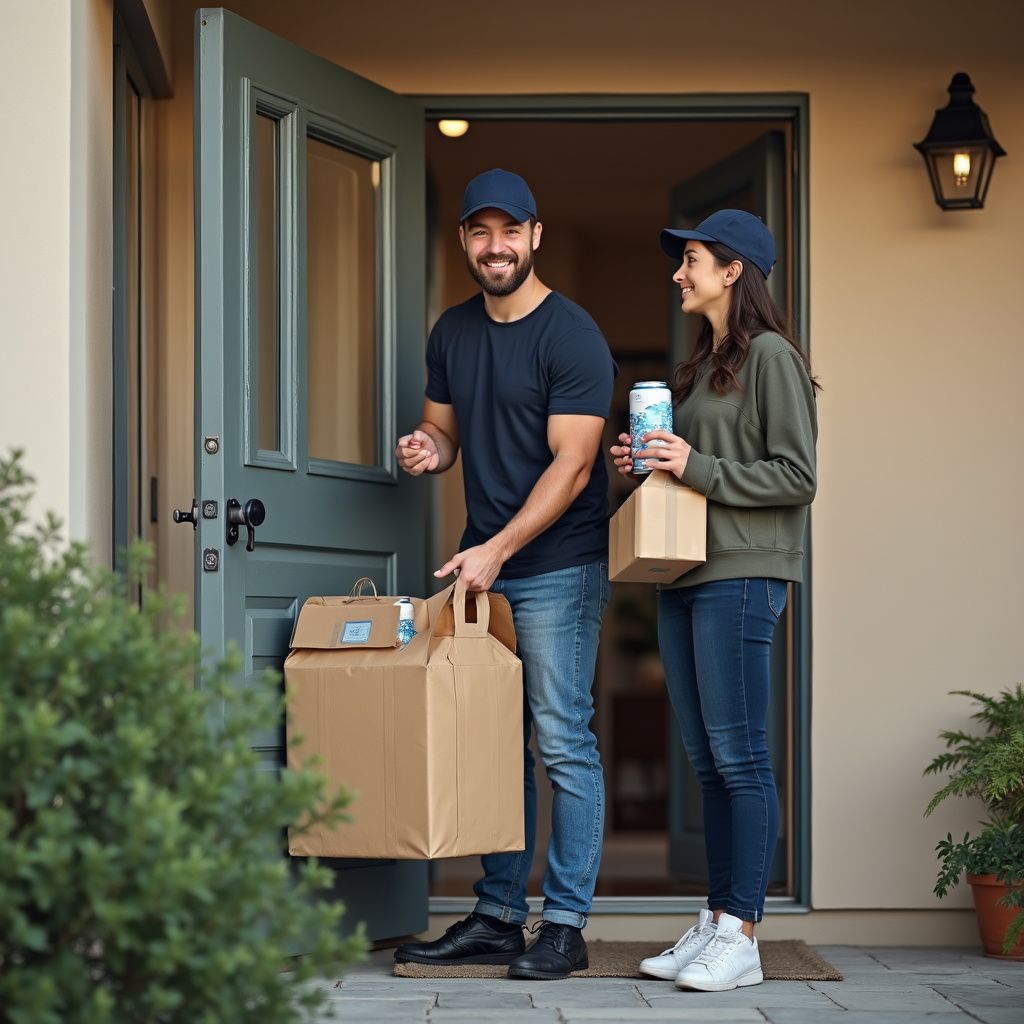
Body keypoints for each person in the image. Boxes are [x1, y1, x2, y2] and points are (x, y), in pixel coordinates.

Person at [393, 169, 616, 980]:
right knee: (492, 745)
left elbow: (575, 463)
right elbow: (443, 432)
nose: (497, 247)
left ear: (535, 235)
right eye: (480, 233)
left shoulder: (572, 335)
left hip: (556, 564)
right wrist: (428, 449)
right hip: (483, 566)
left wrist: (497, 550)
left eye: (510, 231)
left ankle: (564, 924)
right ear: (463, 242)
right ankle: (495, 914)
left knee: (561, 741)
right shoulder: (451, 332)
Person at [610, 210, 818, 993]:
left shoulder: (772, 358)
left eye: (690, 259)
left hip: (743, 573)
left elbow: (797, 477)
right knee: (708, 761)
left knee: (742, 757)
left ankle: (743, 933)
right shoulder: (699, 370)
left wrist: (695, 464)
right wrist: (646, 462)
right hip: (684, 574)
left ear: (734, 270)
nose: (678, 273)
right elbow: (694, 471)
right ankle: (718, 916)